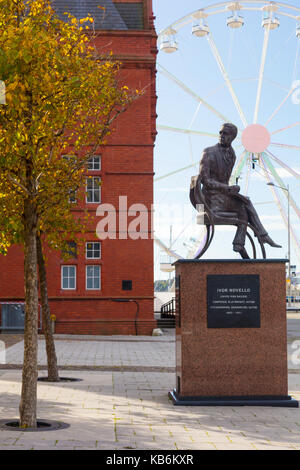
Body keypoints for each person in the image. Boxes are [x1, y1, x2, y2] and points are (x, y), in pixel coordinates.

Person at [195, 122, 281, 258]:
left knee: (244, 206)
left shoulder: (232, 155)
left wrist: (231, 190)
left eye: (225, 134)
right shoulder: (209, 152)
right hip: (209, 201)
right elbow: (206, 180)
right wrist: (228, 188)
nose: (222, 136)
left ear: (233, 137)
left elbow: (223, 180)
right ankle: (258, 237)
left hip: (223, 197)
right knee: (245, 205)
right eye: (220, 133)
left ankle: (242, 243)